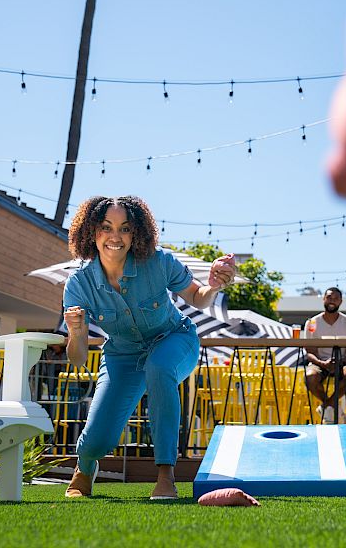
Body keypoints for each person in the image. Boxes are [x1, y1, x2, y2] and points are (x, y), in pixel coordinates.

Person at [62, 195, 236, 499]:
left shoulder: (159, 262)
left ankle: (166, 475)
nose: (115, 237)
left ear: (137, 233)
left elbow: (199, 298)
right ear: (92, 232)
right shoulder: (78, 284)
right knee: (96, 441)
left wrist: (215, 285)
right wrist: (77, 332)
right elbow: (76, 359)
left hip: (174, 339)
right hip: (122, 355)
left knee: (159, 367)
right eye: (106, 227)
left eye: (125, 229)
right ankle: (85, 467)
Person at [303, 287, 346, 423]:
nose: (332, 301)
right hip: (320, 363)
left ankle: (327, 405)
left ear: (340, 301)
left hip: (343, 362)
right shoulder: (312, 323)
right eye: (329, 297)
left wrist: (340, 362)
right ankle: (333, 406)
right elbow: (309, 352)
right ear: (323, 299)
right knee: (310, 377)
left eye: (335, 298)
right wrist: (323, 364)